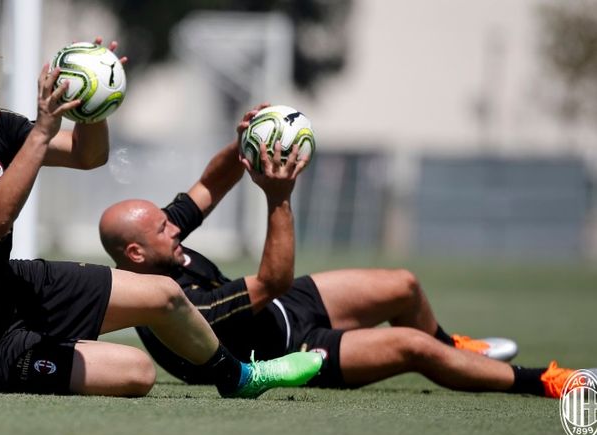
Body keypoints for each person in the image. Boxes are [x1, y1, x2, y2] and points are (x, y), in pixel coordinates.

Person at [0, 41, 323, 399]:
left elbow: (89, 155)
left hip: (12, 287)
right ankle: (42, 352)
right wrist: (43, 131)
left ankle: (240, 379)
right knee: (136, 372)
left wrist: (95, 99)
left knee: (165, 294)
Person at [99, 104, 589, 399]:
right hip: (290, 350)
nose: (176, 223)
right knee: (414, 349)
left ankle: (456, 348)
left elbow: (209, 183)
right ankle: (546, 382)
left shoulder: (157, 241)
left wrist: (244, 140)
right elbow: (272, 281)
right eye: (165, 226)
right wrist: (279, 198)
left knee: (404, 285)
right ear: (137, 254)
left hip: (284, 310)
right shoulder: (168, 303)